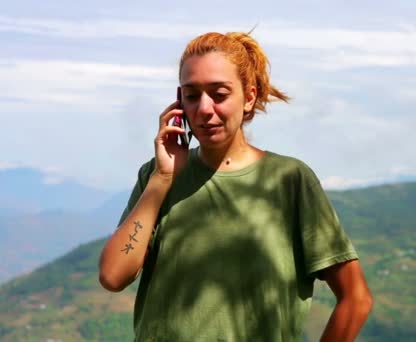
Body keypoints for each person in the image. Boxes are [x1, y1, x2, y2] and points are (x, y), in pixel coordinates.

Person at [98, 31, 373, 341]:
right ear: (179, 103)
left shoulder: (289, 180)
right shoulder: (158, 176)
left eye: (219, 93)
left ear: (249, 97)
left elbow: (356, 298)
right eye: (192, 95)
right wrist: (162, 180)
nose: (204, 108)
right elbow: (112, 275)